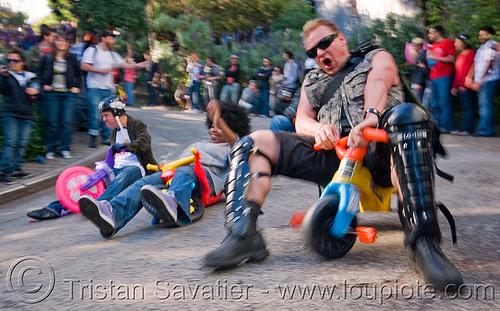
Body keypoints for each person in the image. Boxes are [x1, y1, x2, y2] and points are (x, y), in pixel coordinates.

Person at [204, 18, 463, 291]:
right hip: (337, 157)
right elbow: (302, 118)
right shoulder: (313, 79)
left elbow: (379, 80)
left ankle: (423, 244)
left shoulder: (376, 57)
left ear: (341, 40)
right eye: (312, 52)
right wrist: (319, 129)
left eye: (324, 43)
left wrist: (370, 118)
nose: (319, 54)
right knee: (254, 142)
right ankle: (243, 235)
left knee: (407, 115)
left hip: (383, 150)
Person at [78, 100, 250, 239]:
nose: (213, 129)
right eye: (212, 125)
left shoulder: (231, 148)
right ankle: (112, 214)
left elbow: (237, 146)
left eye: (219, 126)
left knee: (186, 170)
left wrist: (220, 116)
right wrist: (165, 166)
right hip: (178, 174)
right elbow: (177, 163)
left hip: (205, 180)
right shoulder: (199, 145)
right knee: (144, 182)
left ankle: (173, 202)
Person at [27, 95, 157, 220]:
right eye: (103, 116)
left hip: (137, 170)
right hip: (116, 170)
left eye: (106, 115)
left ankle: (99, 204)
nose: (104, 119)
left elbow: (144, 142)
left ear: (117, 113)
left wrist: (125, 147)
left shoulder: (136, 125)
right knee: (89, 183)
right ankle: (55, 208)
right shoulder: (114, 131)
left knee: (127, 173)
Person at [81, 30, 146, 148]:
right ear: (104, 38)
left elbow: (124, 65)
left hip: (108, 88)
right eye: (111, 38)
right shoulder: (92, 50)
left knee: (109, 114)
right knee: (95, 113)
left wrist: (137, 65)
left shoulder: (112, 54)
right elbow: (84, 65)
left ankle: (107, 137)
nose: (113, 41)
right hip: (95, 87)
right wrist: (100, 71)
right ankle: (93, 136)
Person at [39, 31, 82, 159]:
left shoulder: (72, 58)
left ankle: (64, 148)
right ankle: (51, 148)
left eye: (63, 41)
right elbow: (39, 73)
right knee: (52, 122)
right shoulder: (48, 57)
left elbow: (78, 76)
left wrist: (77, 87)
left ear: (67, 43)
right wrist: (43, 85)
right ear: (54, 42)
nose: (61, 43)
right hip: (52, 93)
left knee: (66, 122)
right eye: (58, 40)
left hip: (68, 94)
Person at [0, 49, 39, 184]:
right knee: (11, 142)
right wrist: (4, 77)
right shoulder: (6, 75)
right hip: (10, 113)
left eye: (16, 60)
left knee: (21, 142)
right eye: (10, 60)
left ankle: (16, 167)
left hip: (26, 113)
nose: (13, 63)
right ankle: (4, 171)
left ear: (22, 62)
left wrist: (37, 92)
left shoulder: (31, 76)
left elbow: (39, 96)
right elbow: (3, 91)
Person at [469, 26, 500, 137]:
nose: (480, 36)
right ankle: (484, 128)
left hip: (487, 80)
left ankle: (486, 130)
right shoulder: (483, 47)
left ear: (489, 34)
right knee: (483, 105)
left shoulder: (492, 46)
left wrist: (480, 81)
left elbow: (488, 64)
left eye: (482, 34)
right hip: (482, 80)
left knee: (485, 105)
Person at [427, 25, 456, 133]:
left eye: (431, 33)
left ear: (437, 32)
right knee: (434, 103)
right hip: (433, 76)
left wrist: (435, 57)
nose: (429, 35)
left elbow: (451, 58)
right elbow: (431, 63)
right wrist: (428, 58)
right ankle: (437, 126)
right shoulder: (432, 46)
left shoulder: (448, 42)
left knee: (444, 102)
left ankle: (445, 126)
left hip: (444, 76)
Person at [450, 34, 476, 136]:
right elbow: (458, 72)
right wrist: (454, 86)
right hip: (460, 85)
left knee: (468, 107)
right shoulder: (460, 55)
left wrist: (463, 85)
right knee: (464, 107)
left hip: (466, 85)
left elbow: (468, 70)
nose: (455, 44)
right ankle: (464, 127)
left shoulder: (471, 53)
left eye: (457, 41)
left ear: (463, 42)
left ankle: (468, 129)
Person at [410, 37, 430, 103]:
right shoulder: (419, 55)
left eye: (415, 46)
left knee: (417, 103)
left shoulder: (423, 56)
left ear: (419, 46)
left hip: (419, 84)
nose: (414, 48)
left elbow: (421, 71)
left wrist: (418, 83)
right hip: (417, 82)